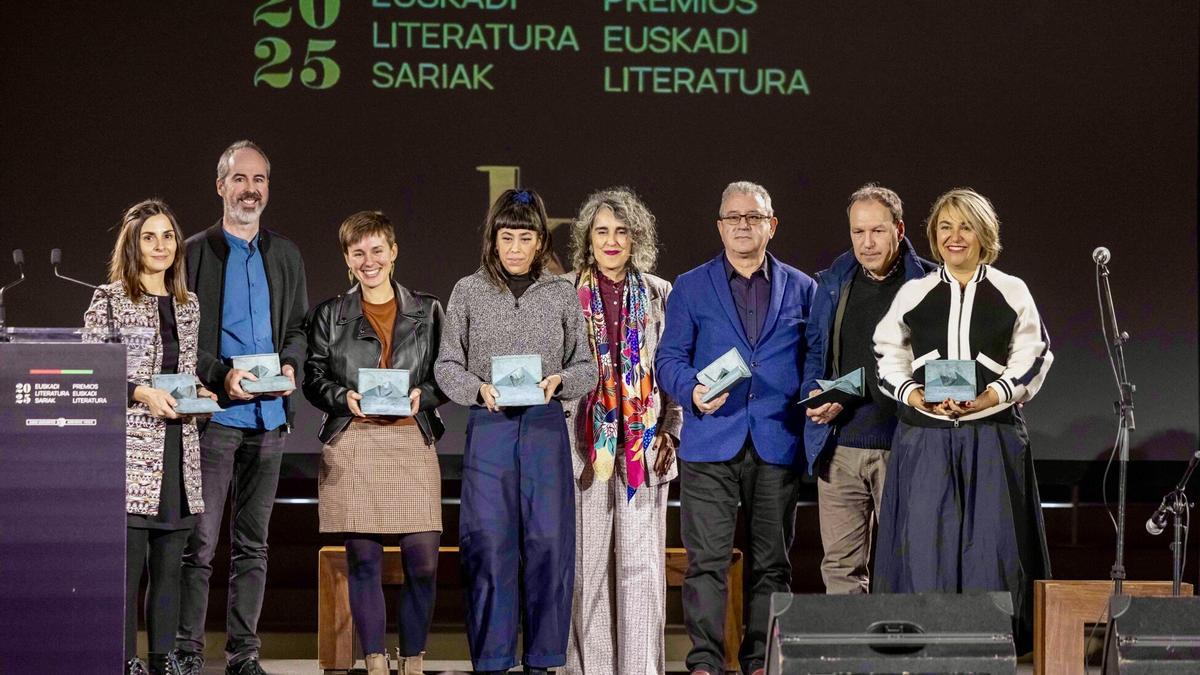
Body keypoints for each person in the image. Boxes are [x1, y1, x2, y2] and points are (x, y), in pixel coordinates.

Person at [872, 187, 1053, 651]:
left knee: (990, 550)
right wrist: (915, 394)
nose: (955, 237)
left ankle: (989, 645)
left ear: (983, 233)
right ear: (934, 235)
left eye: (965, 226)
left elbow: (1033, 355)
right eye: (945, 227)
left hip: (991, 436)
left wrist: (992, 395)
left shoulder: (1012, 290)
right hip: (926, 437)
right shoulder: (916, 292)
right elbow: (887, 354)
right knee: (925, 546)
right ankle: (922, 645)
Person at [655, 181, 815, 675]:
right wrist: (691, 391)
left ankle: (761, 660)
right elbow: (669, 358)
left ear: (772, 224)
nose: (743, 224)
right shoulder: (690, 284)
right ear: (719, 225)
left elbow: (813, 360)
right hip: (710, 441)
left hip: (776, 439)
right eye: (733, 217)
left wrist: (813, 396)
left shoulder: (803, 287)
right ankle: (704, 661)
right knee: (706, 562)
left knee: (773, 564)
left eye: (753, 216)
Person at [434, 188, 596, 675]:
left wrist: (560, 381)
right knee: (489, 544)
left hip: (546, 427)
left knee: (549, 544)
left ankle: (544, 659)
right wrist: (477, 389)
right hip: (491, 427)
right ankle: (492, 657)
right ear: (493, 239)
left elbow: (586, 365)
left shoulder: (561, 293)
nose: (516, 248)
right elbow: (446, 365)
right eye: (507, 237)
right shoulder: (468, 291)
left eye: (526, 238)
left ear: (541, 240)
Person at [177, 141, 309, 675]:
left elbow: (298, 328)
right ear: (220, 187)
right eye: (239, 179)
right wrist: (219, 373)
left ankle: (243, 654)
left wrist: (293, 368)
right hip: (214, 418)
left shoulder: (286, 255)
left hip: (269, 421)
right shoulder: (194, 251)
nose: (250, 189)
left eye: (259, 180)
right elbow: (180, 333)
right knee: (200, 543)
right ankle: (186, 652)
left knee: (253, 545)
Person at [302, 211, 447, 675]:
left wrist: (428, 393)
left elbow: (449, 371)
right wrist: (342, 396)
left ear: (394, 252)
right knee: (363, 559)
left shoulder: (428, 310)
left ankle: (413, 656)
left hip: (411, 437)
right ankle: (375, 660)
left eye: (377, 250)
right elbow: (313, 376)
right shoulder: (329, 314)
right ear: (347, 258)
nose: (370, 261)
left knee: (422, 560)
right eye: (358, 252)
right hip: (355, 439)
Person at [84, 199, 214, 675]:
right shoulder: (111, 298)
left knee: (170, 570)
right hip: (132, 454)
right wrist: (140, 391)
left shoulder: (188, 303)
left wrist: (200, 392)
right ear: (133, 245)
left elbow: (184, 370)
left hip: (180, 451)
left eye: (167, 236)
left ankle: (161, 660)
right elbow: (92, 374)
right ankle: (124, 661)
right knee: (128, 572)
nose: (161, 246)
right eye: (149, 237)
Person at [561, 188, 683, 675]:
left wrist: (670, 432)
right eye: (602, 231)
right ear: (587, 238)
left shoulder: (660, 293)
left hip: (644, 449)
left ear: (637, 238)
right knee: (586, 575)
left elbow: (673, 373)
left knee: (641, 573)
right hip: (585, 452)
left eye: (622, 232)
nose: (611, 242)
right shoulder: (563, 292)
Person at [801, 184, 936, 594]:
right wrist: (815, 394)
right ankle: (853, 658)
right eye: (858, 232)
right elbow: (815, 352)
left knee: (910, 563)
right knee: (841, 568)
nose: (867, 242)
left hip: (906, 445)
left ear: (899, 228)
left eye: (877, 231)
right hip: (841, 447)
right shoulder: (833, 284)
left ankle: (907, 657)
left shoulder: (930, 282)